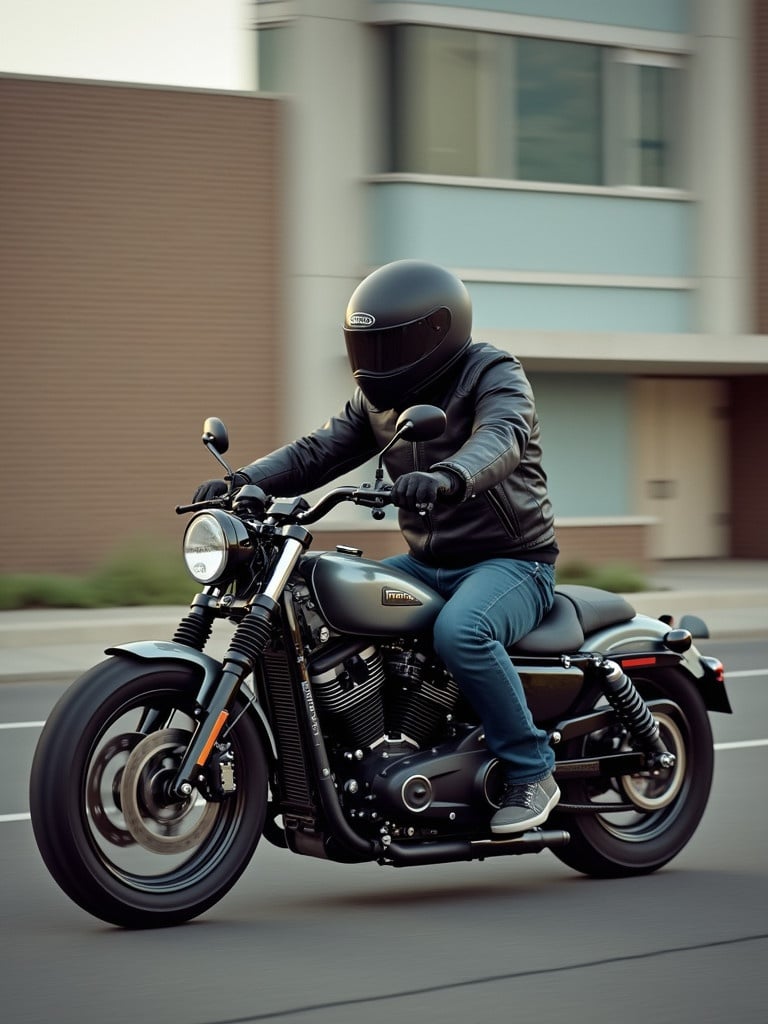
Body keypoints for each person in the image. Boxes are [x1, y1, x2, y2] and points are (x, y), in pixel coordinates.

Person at [194, 259, 560, 834]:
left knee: (463, 631)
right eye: (368, 349)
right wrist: (245, 483)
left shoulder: (493, 372)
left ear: (434, 333)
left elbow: (502, 437)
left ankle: (532, 769)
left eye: (390, 347)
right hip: (427, 563)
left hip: (512, 561)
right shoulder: (379, 403)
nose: (376, 364)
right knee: (323, 601)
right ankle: (375, 752)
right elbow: (318, 451)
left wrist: (450, 476)